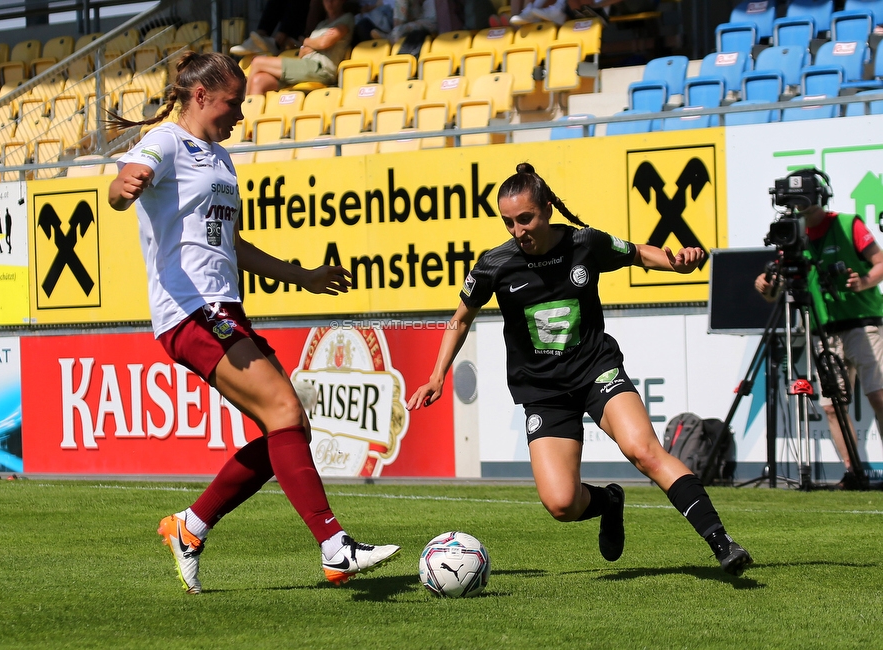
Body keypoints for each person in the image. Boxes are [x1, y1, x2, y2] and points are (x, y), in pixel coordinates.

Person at [107, 51, 400, 594]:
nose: (239, 114)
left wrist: (303, 276)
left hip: (225, 309)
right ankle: (336, 548)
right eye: (232, 103)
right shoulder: (167, 141)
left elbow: (233, 244)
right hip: (190, 312)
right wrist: (124, 187)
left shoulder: (220, 158)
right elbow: (125, 178)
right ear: (200, 96)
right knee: (286, 410)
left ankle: (189, 528)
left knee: (287, 427)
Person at [407, 163, 753, 576]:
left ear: (548, 209)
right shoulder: (494, 265)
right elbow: (460, 318)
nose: (518, 231)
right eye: (509, 222)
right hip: (542, 391)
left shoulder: (585, 243)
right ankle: (609, 501)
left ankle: (722, 543)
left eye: (526, 219)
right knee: (561, 504)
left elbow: (640, 252)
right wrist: (436, 375)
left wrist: (676, 264)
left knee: (644, 451)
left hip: (596, 371)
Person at [754, 168, 883, 491]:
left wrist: (863, 281)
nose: (801, 211)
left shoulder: (848, 223)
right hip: (823, 328)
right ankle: (853, 471)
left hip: (862, 322)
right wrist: (765, 285)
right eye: (796, 206)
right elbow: (774, 292)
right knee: (831, 405)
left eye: (806, 204)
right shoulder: (791, 236)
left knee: (879, 396)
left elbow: (880, 261)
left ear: (820, 199)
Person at [244, 0, 355, 95]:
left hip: (320, 68)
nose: (329, 2)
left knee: (257, 62)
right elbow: (303, 51)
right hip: (306, 66)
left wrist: (307, 41)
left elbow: (323, 43)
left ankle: (241, 110)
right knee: (258, 81)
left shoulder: (347, 18)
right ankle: (251, 117)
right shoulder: (322, 24)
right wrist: (314, 43)